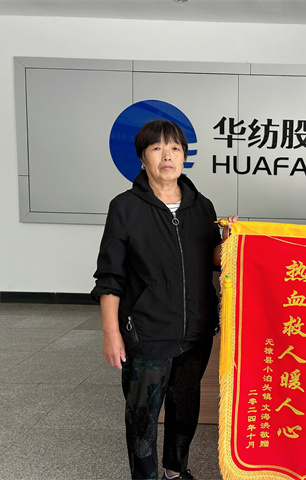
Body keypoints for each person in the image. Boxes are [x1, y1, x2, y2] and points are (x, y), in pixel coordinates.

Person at [92, 119, 236, 480]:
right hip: (147, 332)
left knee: (185, 406)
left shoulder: (201, 206)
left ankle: (175, 470)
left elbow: (212, 260)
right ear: (143, 159)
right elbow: (110, 276)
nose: (166, 156)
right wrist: (111, 333)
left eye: (174, 148)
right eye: (156, 148)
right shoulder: (125, 207)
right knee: (142, 415)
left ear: (184, 156)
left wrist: (231, 241)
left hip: (196, 331)